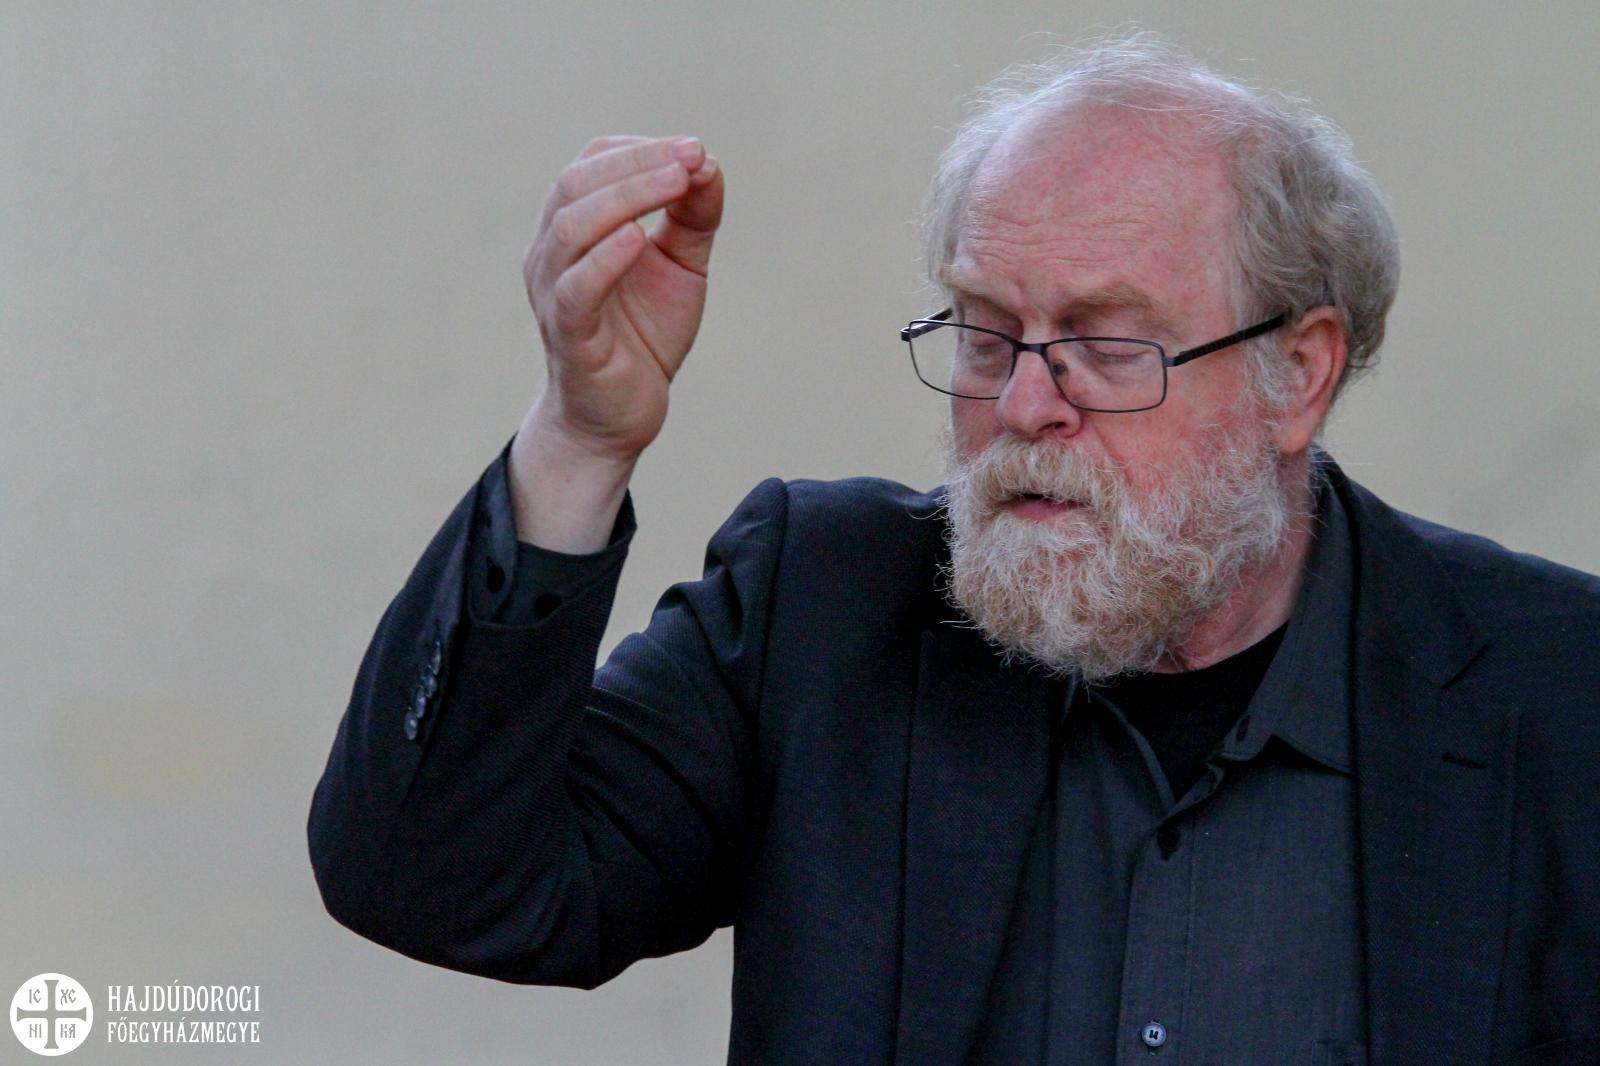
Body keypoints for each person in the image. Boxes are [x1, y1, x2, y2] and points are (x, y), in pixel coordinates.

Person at [308, 37, 1600, 1065]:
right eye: (986, 334)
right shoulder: (820, 611)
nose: (1026, 404)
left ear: (1298, 373)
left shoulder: (1559, 693)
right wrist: (581, 438)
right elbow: (436, 881)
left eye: (1106, 344)